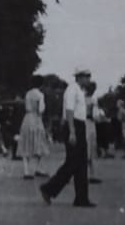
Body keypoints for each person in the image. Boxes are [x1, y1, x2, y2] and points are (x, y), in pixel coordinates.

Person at [39, 68, 95, 208]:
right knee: (73, 162)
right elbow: (69, 111)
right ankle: (49, 188)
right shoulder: (72, 90)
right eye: (86, 76)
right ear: (79, 77)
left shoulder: (79, 91)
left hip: (79, 124)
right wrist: (72, 131)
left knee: (81, 163)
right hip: (74, 124)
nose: (89, 79)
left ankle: (81, 198)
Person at [19, 75, 50, 178]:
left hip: (27, 118)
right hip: (36, 119)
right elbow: (41, 110)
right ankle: (34, 169)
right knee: (39, 145)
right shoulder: (40, 95)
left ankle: (26, 170)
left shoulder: (28, 94)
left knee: (26, 144)